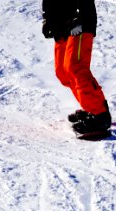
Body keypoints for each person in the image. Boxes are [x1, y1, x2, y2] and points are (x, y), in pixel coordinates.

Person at [41, 0, 111, 135]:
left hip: (79, 25)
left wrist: (80, 19)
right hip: (60, 27)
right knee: (63, 73)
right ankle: (92, 107)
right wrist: (47, 20)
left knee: (75, 68)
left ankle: (100, 115)